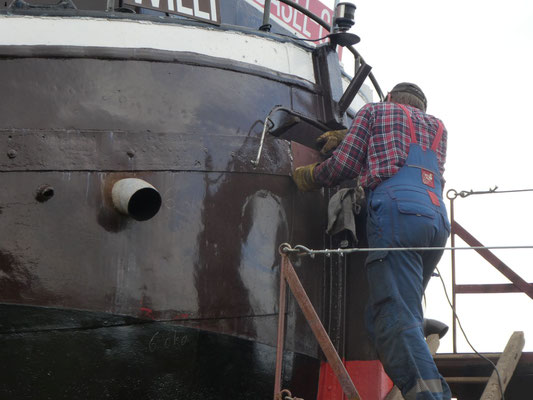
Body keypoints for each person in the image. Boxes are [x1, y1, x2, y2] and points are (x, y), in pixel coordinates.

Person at [293, 83, 452, 400]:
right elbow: (412, 161)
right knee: (382, 318)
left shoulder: (374, 110)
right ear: (421, 106)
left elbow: (345, 166)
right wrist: (357, 138)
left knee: (394, 317)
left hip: (398, 215)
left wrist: (310, 175)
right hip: (435, 222)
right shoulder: (437, 127)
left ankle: (429, 396)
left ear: (389, 97)